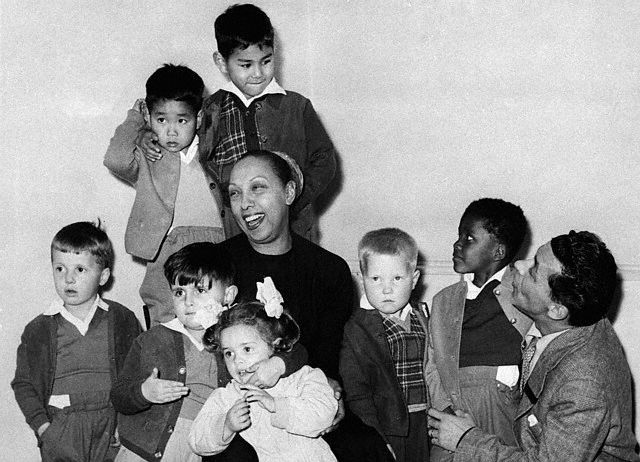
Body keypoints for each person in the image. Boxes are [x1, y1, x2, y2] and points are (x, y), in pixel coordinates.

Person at [217, 150, 393, 461]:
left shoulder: (329, 270)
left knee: (366, 449)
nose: (245, 203)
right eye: (235, 193)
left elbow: (327, 355)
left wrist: (330, 394)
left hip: (305, 395)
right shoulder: (217, 264)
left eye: (257, 188)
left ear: (288, 192)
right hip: (239, 404)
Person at [428, 231, 640, 461]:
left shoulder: (584, 385)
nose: (518, 264)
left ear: (557, 310)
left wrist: (465, 439)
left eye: (534, 269)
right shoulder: (584, 313)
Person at [137, 3, 336, 242]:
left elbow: (325, 160)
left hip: (292, 230)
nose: (258, 73)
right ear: (222, 62)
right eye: (246, 65)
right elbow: (180, 137)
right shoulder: (210, 109)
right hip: (236, 231)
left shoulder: (297, 106)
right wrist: (147, 135)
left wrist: (295, 199)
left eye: (266, 61)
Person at [104, 64, 226, 326]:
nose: (171, 131)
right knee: (165, 310)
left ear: (198, 116)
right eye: (161, 120)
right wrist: (137, 122)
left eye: (182, 121)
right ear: (150, 117)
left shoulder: (213, 148)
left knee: (216, 315)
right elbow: (115, 159)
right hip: (167, 245)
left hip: (217, 243)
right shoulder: (151, 155)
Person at [12, 221, 141, 462]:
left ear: (103, 276)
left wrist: (126, 424)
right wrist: (44, 429)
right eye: (60, 268)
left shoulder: (122, 319)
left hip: (111, 425)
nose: (68, 279)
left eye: (80, 270)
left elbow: (136, 374)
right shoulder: (39, 330)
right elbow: (24, 384)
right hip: (63, 426)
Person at [111, 242, 239, 461]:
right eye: (179, 292)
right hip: (142, 451)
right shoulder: (152, 339)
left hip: (195, 450)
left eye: (200, 290)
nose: (188, 302)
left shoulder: (235, 341)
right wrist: (144, 392)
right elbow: (119, 395)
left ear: (228, 295)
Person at [426, 198, 530, 461]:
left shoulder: (523, 293)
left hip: (501, 419)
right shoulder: (443, 301)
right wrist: (447, 411)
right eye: (459, 235)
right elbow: (432, 364)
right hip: (452, 418)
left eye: (469, 238)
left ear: (498, 252)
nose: (457, 244)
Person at [190, 301, 338, 461]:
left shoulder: (301, 377)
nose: (237, 361)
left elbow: (325, 413)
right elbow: (196, 441)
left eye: (247, 349)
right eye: (229, 353)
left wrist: (277, 406)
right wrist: (226, 426)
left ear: (274, 345)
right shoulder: (229, 396)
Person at [340, 228, 430, 461]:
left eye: (397, 278)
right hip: (387, 426)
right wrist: (374, 436)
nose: (386, 289)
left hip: (426, 422)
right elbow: (357, 393)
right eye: (376, 278)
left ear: (414, 280)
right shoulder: (355, 329)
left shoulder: (424, 317)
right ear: (362, 279)